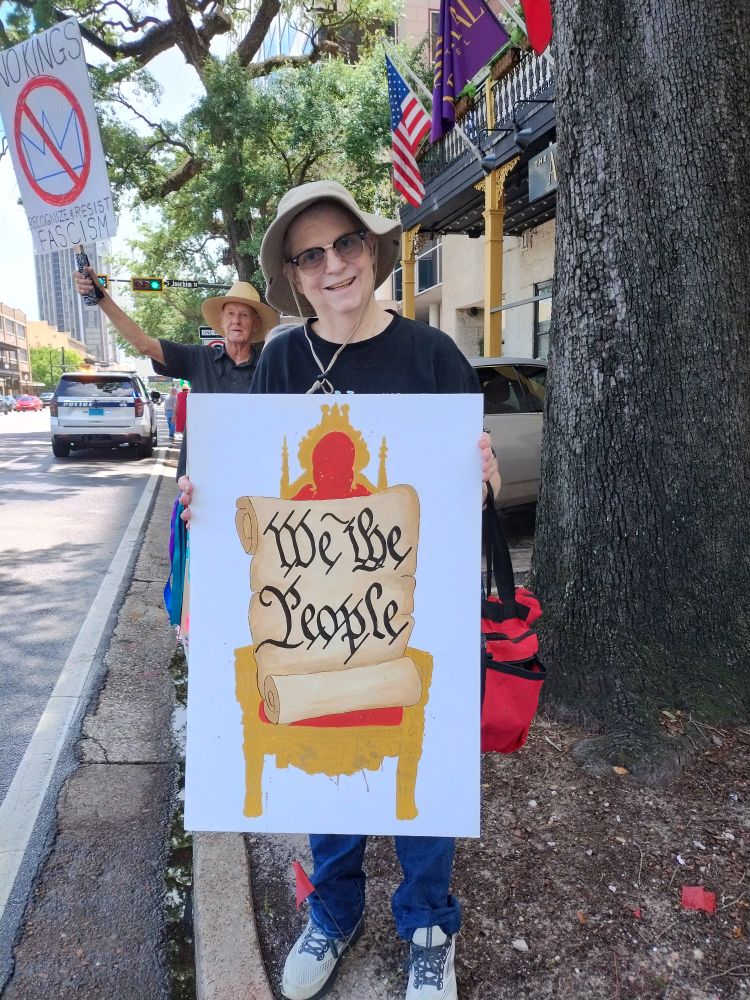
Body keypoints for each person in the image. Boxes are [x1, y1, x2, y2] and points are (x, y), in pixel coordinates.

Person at [178, 180, 500, 1000]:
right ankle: (335, 909)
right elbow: (258, 473)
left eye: (345, 244)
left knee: (424, 776)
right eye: (311, 254)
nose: (333, 266)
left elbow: (461, 484)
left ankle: (428, 924)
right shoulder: (285, 357)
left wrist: (484, 482)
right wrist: (207, 500)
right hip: (311, 607)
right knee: (322, 766)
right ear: (294, 274)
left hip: (406, 606)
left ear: (370, 249)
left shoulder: (432, 356)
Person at [72, 272, 278, 479]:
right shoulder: (199, 358)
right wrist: (101, 297)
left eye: (244, 315)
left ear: (256, 323)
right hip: (201, 478)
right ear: (221, 321)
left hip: (252, 474)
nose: (236, 321)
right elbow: (144, 344)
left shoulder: (270, 367)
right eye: (231, 314)